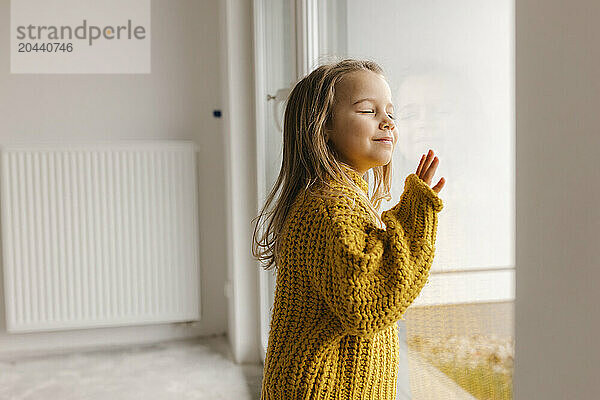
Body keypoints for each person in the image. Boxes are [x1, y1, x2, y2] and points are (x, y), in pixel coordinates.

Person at [252, 58, 446, 400]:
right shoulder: (331, 207)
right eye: (368, 111)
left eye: (390, 112)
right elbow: (368, 301)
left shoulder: (338, 199)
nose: (386, 121)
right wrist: (416, 214)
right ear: (323, 127)